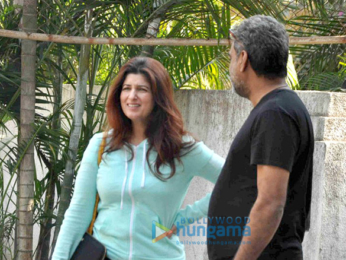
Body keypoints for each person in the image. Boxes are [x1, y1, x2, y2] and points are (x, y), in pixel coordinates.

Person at [52, 56, 224, 260]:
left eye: (142, 89)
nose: (132, 96)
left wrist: (183, 219)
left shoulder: (182, 148)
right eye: (127, 88)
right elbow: (78, 212)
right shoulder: (101, 145)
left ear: (158, 97)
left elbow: (236, 179)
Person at [207, 15, 314, 260]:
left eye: (232, 57)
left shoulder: (275, 113)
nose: (230, 65)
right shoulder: (279, 108)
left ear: (243, 59)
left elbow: (270, 203)